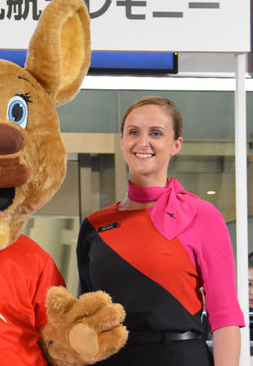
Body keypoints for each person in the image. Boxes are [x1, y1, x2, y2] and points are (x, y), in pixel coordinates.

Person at [77, 96, 244, 366]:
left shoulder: (203, 216)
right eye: (133, 132)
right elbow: (86, 318)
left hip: (180, 357)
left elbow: (225, 317)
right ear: (122, 141)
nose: (143, 142)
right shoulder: (94, 225)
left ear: (176, 144)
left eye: (156, 133)